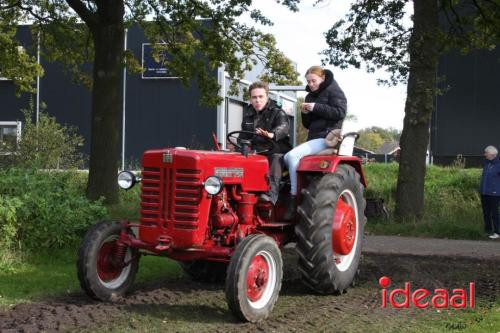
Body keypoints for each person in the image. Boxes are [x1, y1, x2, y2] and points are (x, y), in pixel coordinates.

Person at [283, 66, 347, 219]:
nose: (311, 84)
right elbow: (307, 124)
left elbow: (340, 112)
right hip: (314, 137)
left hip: (328, 137)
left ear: (323, 78)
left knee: (291, 157)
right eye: (308, 81)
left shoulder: (334, 90)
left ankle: (294, 196)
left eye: (314, 80)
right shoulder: (310, 96)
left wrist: (315, 107)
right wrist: (305, 113)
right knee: (284, 157)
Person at [239, 81, 292, 205]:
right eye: (254, 97)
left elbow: (283, 127)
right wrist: (243, 144)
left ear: (267, 97)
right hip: (257, 151)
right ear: (250, 99)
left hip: (276, 150)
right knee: (239, 157)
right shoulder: (248, 115)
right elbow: (243, 136)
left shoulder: (277, 112)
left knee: (275, 159)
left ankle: (269, 197)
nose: (257, 100)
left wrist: (271, 134)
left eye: (260, 97)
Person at [480, 145, 500, 239]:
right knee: (486, 213)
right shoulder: (487, 164)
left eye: (486, 153)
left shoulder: (498, 164)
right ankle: (488, 231)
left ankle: (497, 232)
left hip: (495, 194)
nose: (485, 155)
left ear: (492, 154)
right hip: (484, 193)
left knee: (495, 213)